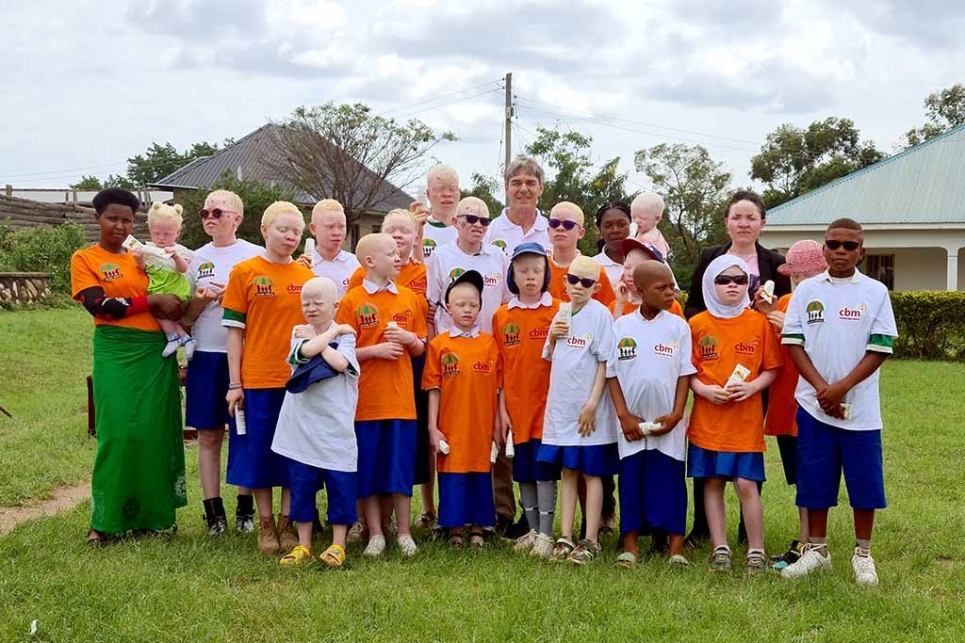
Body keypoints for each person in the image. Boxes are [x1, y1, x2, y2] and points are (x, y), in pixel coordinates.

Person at [780, 219, 898, 586]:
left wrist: (842, 387)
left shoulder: (876, 291)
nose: (841, 251)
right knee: (814, 479)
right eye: (834, 244)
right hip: (814, 406)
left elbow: (880, 347)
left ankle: (863, 554)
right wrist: (821, 389)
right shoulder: (807, 290)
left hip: (859, 409)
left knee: (864, 483)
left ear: (862, 251)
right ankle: (817, 551)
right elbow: (794, 342)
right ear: (824, 249)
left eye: (850, 246)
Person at [70, 188, 187, 544]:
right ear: (98, 219)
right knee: (117, 434)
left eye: (126, 220)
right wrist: (150, 299)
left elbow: (176, 286)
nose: (120, 226)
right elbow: (100, 305)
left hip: (155, 352)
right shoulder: (85, 258)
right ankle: (104, 521)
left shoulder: (144, 257)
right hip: (115, 351)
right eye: (113, 218)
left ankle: (153, 517)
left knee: (154, 434)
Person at [683, 189, 791, 546]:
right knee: (708, 457)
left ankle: (749, 534)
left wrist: (765, 317)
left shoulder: (776, 263)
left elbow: (785, 312)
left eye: (751, 217)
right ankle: (704, 530)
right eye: (737, 217)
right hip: (713, 365)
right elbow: (694, 306)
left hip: (753, 367)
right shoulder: (710, 257)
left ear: (762, 222)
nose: (744, 223)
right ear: (727, 222)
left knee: (747, 452)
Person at [222, 201, 315, 555]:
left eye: (296, 231)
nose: (290, 236)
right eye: (283, 229)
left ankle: (287, 521)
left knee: (294, 453)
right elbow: (234, 332)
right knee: (259, 453)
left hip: (296, 380)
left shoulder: (307, 278)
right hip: (257, 379)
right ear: (264, 230)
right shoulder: (244, 272)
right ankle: (265, 523)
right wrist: (235, 384)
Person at [335, 233, 428, 558]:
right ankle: (374, 532)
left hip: (402, 403)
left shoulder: (408, 298)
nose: (399, 256)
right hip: (366, 404)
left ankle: (403, 532)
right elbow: (341, 354)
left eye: (399, 251)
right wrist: (374, 350)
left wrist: (407, 338)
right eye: (391, 253)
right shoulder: (352, 300)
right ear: (370, 261)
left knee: (400, 470)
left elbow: (420, 347)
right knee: (369, 470)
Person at [687, 256, 782, 573]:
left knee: (745, 484)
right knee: (712, 483)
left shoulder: (758, 323)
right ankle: (721, 548)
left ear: (748, 286)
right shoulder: (697, 324)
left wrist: (753, 387)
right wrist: (703, 390)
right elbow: (687, 372)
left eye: (739, 280)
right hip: (708, 421)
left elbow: (771, 369)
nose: (732, 285)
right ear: (710, 284)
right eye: (724, 279)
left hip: (745, 422)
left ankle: (756, 550)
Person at [182, 189, 262, 536]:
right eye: (204, 213)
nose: (210, 217)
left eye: (217, 211)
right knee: (209, 435)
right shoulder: (195, 259)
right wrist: (200, 300)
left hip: (247, 356)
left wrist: (233, 295)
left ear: (237, 218)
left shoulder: (255, 256)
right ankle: (214, 513)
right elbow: (185, 316)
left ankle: (246, 509)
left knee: (244, 432)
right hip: (206, 356)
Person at [607, 262, 695, 567]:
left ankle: (676, 549)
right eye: (662, 288)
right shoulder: (621, 327)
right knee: (631, 480)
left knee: (670, 481)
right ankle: (630, 546)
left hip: (667, 423)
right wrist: (623, 416)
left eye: (672, 286)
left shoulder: (678, 327)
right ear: (640, 291)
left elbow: (685, 374)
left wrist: (676, 414)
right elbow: (612, 374)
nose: (671, 292)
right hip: (631, 423)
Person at [271, 277, 360, 568]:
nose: (310, 308)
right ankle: (303, 545)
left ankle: (338, 544)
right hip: (301, 430)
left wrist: (324, 338)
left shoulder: (347, 338)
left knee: (340, 488)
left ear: (335, 305)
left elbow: (340, 364)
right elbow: (304, 352)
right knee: (302, 487)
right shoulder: (301, 334)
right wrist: (331, 332)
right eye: (305, 303)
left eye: (318, 303)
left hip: (335, 429)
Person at [538, 256, 618, 564]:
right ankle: (565, 536)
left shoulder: (600, 315)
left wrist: (593, 403)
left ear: (597, 287)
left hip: (589, 408)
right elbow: (550, 355)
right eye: (573, 280)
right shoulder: (561, 311)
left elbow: (603, 361)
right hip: (562, 405)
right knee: (568, 470)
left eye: (586, 283)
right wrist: (552, 335)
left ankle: (591, 538)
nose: (578, 287)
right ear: (564, 281)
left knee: (591, 471)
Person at [756, 240, 827, 568]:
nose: (800, 281)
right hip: (786, 401)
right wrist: (766, 314)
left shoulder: (825, 302)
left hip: (815, 401)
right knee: (798, 475)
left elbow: (830, 350)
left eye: (807, 274)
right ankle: (805, 540)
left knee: (814, 474)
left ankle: (813, 543)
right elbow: (769, 353)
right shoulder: (784, 301)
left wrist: (793, 329)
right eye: (794, 276)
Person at [423, 270, 502, 547]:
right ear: (448, 307)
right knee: (453, 475)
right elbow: (433, 389)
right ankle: (454, 528)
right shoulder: (439, 345)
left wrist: (497, 425)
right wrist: (433, 428)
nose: (467, 310)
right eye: (461, 304)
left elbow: (498, 389)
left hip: (481, 424)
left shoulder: (490, 344)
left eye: (473, 304)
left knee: (480, 474)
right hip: (451, 425)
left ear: (480, 307)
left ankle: (478, 528)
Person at [493, 242, 560, 558]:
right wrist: (503, 410)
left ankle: (547, 534)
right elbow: (502, 369)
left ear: (546, 273)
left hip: (549, 409)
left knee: (544, 470)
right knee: (524, 471)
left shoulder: (559, 311)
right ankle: (533, 530)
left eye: (537, 270)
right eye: (523, 271)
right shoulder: (502, 316)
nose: (530, 277)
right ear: (512, 275)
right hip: (517, 411)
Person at [427, 197, 510, 335]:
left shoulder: (499, 257)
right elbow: (432, 308)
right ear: (455, 222)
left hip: (489, 344)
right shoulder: (439, 256)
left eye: (484, 221)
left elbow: (507, 303)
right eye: (471, 219)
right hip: (451, 346)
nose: (478, 225)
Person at [131, 201, 196, 358]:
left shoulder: (180, 250)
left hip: (174, 288)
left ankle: (174, 338)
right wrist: (139, 258)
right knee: (159, 312)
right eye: (156, 233)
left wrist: (175, 256)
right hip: (158, 287)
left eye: (167, 234)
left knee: (164, 312)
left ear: (177, 232)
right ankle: (185, 339)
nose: (161, 238)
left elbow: (183, 269)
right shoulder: (148, 249)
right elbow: (143, 268)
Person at [546, 201, 615, 307]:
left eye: (568, 225)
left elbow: (609, 311)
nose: (560, 228)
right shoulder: (539, 268)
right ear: (548, 230)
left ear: (581, 233)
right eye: (554, 223)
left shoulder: (595, 270)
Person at [485, 156, 551, 255]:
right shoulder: (488, 232)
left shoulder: (552, 233)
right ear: (506, 188)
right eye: (517, 183)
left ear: (541, 189)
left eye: (530, 183)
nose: (523, 189)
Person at [299, 199, 360, 299]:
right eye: (330, 227)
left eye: (341, 226)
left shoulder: (357, 264)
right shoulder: (303, 265)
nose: (337, 232)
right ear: (313, 229)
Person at [610, 239, 684, 320]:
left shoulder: (670, 306)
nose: (631, 273)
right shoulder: (616, 306)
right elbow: (611, 331)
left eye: (638, 269)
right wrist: (619, 306)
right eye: (627, 267)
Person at [412, 164, 460, 260]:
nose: (447, 194)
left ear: (459, 193)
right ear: (428, 194)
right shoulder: (416, 229)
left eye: (452, 189)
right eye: (439, 189)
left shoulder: (472, 230)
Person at [591, 201, 632, 289]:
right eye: (608, 226)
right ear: (599, 229)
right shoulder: (591, 266)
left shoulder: (649, 261)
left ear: (632, 226)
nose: (615, 230)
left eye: (621, 225)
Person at [630, 193, 671, 261]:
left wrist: (630, 241)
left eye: (642, 218)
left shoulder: (647, 239)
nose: (636, 221)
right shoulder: (656, 234)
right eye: (633, 217)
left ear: (657, 219)